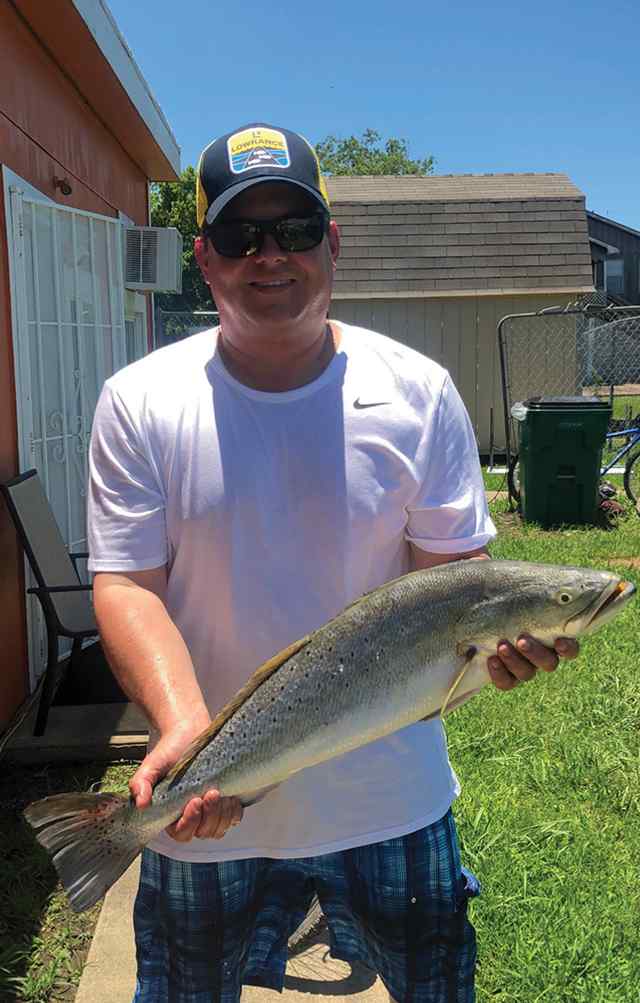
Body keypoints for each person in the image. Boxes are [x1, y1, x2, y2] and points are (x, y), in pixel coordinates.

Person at [87, 122, 578, 1003]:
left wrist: (498, 651)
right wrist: (183, 724)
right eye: (242, 234)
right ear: (205, 257)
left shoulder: (417, 390)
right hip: (208, 808)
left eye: (296, 228)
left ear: (334, 244)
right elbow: (127, 583)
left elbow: (457, 585)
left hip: (391, 800)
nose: (270, 254)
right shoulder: (140, 402)